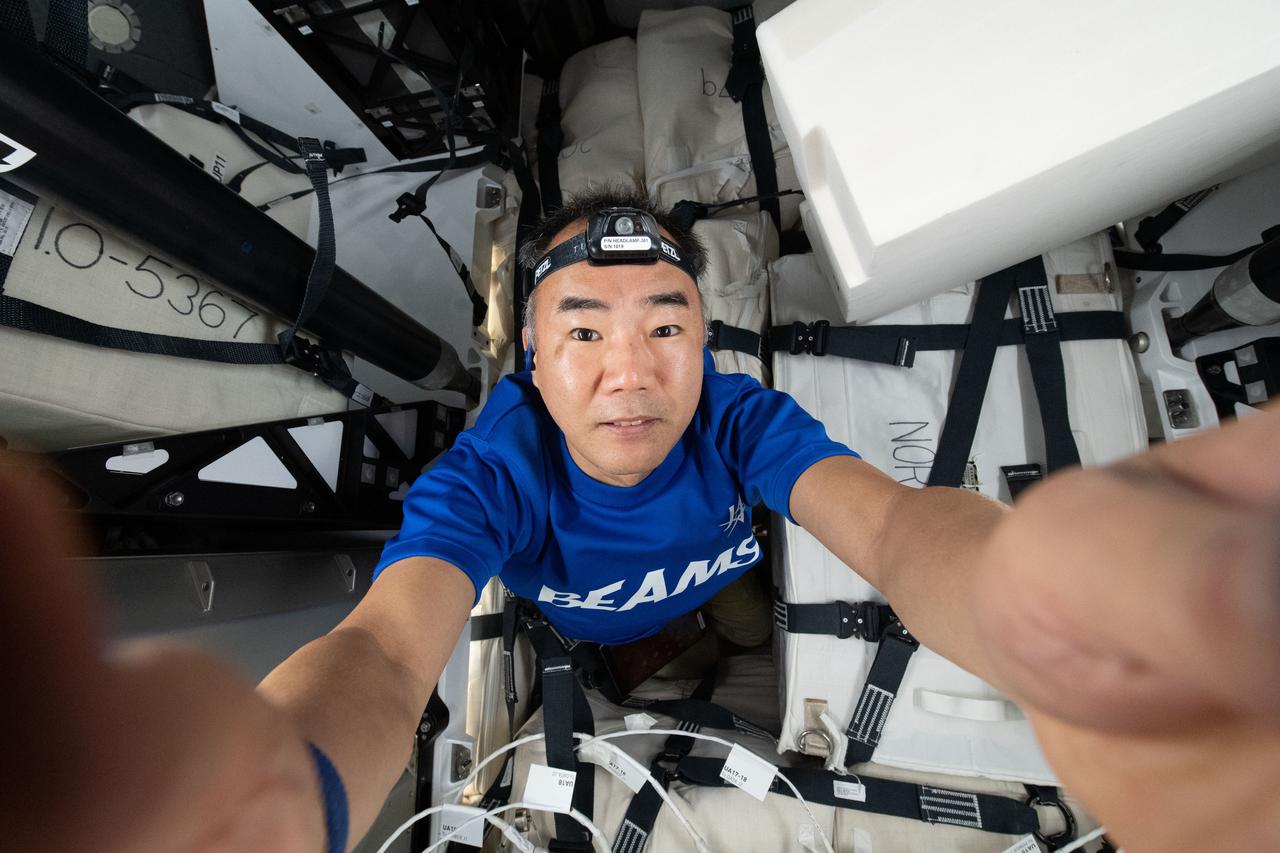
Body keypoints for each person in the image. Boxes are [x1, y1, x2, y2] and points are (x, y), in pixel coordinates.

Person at [3, 190, 1278, 853]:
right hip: (602, 631)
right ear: (533, 369)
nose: (632, 368)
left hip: (713, 599)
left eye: (666, 324)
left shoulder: (737, 419)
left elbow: (889, 532)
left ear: (701, 342)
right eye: (585, 332)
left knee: (732, 634)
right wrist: (284, 785)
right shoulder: (487, 481)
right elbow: (392, 650)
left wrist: (1034, 612)